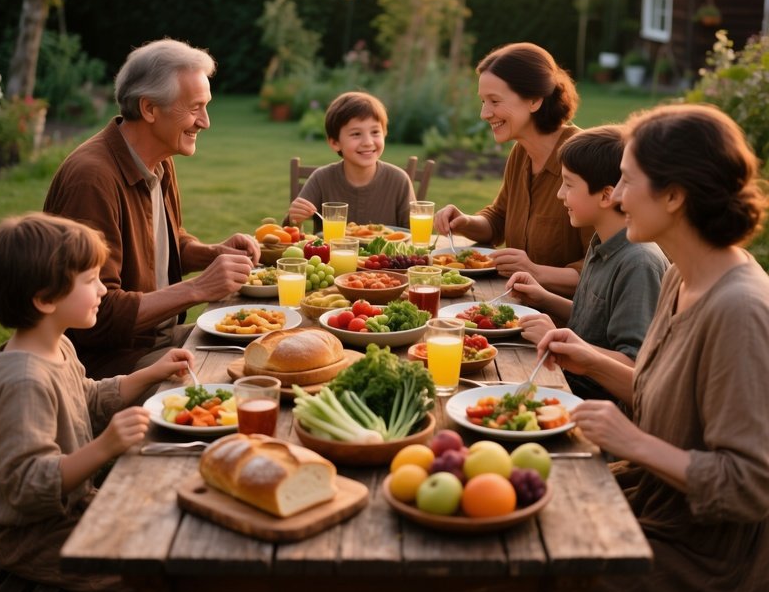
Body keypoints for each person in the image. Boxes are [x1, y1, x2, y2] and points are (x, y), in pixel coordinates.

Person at [538, 104, 769, 592]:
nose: (616, 197)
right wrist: (593, 361)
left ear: (674, 195)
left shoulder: (740, 309)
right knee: (506, 509)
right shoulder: (679, 277)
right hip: (651, 501)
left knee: (526, 566)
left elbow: (749, 485)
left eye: (625, 181)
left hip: (703, 557)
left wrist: (632, 442)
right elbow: (661, 391)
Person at [0, 212, 195, 592]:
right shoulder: (25, 381)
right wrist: (104, 447)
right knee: (154, 578)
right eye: (91, 281)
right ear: (45, 299)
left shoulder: (56, 344)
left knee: (172, 524)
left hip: (77, 508)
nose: (103, 290)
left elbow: (89, 398)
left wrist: (151, 373)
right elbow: (26, 484)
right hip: (35, 537)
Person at [43, 38, 260, 379]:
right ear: (149, 109)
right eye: (194, 108)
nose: (205, 122)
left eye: (206, 107)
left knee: (262, 345)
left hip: (154, 342)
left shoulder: (157, 160)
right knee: (238, 384)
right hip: (108, 366)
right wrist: (198, 288)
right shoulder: (92, 180)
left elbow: (162, 243)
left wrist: (212, 253)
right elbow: (95, 315)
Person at [505, 125, 669, 399]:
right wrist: (544, 298)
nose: (559, 194)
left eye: (568, 184)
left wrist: (560, 339)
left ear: (606, 195)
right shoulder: (601, 243)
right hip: (566, 382)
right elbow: (594, 322)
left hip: (593, 404)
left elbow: (635, 365)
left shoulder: (638, 263)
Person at [434, 43, 592, 297]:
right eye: (483, 101)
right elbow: (499, 219)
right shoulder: (521, 154)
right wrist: (464, 222)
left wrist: (535, 271)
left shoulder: (585, 161)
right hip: (515, 308)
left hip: (569, 325)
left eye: (495, 101)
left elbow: (606, 269)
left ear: (534, 100)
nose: (484, 113)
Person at [286, 91, 415, 227]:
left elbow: (413, 236)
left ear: (385, 134)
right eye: (356, 134)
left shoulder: (399, 180)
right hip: (331, 248)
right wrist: (294, 218)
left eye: (375, 132)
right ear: (335, 143)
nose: (368, 142)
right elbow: (289, 233)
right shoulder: (321, 179)